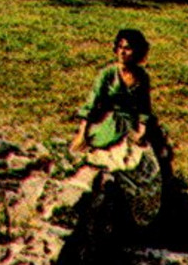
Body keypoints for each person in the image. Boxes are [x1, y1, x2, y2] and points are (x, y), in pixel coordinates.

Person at [72, 28, 174, 177]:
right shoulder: (107, 74)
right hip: (109, 123)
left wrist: (142, 129)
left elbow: (144, 108)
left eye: (127, 48)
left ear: (137, 52)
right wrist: (82, 134)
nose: (122, 52)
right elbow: (91, 104)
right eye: (120, 47)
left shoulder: (142, 76)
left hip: (132, 123)